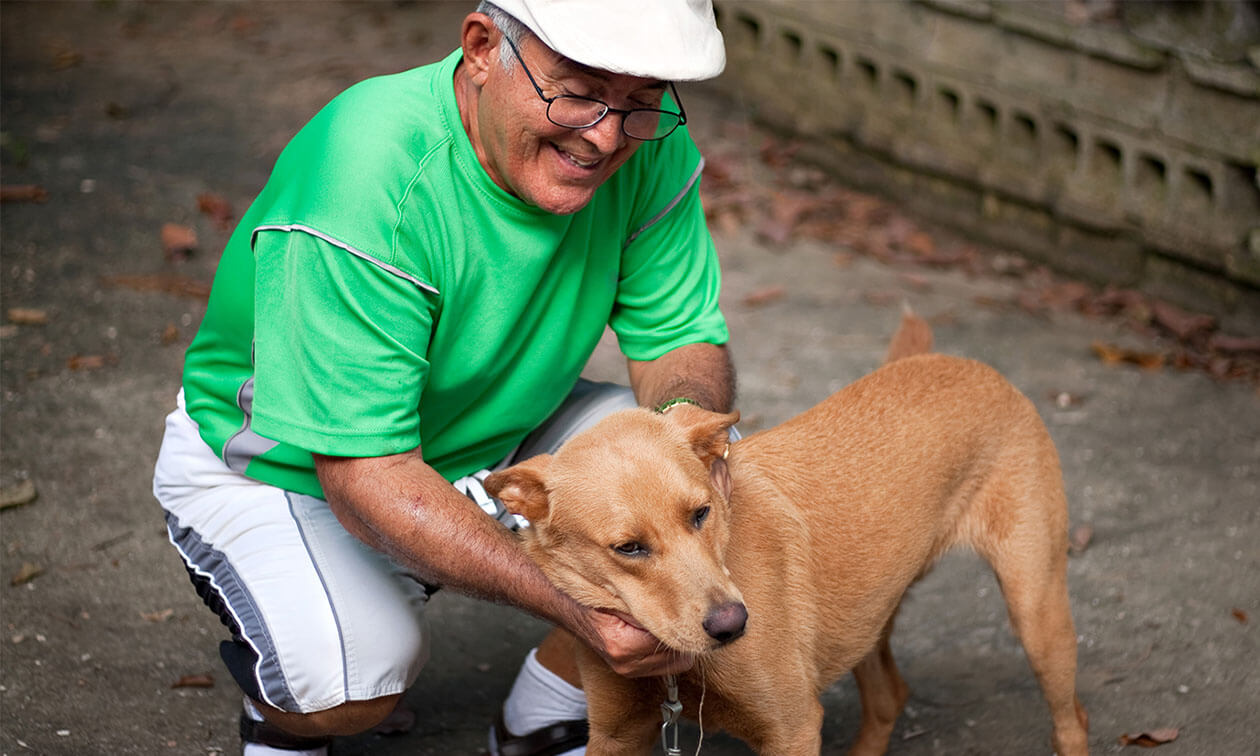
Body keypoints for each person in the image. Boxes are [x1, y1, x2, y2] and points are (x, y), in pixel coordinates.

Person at [151, 1, 734, 754]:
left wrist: (685, 454)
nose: (607, 135)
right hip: (291, 467)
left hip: (500, 424)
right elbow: (369, 474)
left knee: (708, 484)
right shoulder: (366, 179)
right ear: (483, 48)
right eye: (578, 91)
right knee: (346, 683)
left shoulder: (646, 145)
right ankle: (285, 723)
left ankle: (547, 713)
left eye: (640, 102)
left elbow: (680, 338)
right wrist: (580, 607)